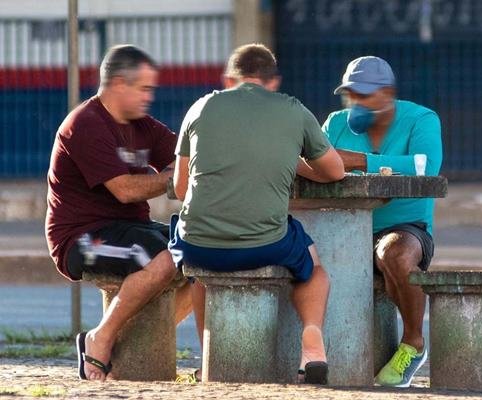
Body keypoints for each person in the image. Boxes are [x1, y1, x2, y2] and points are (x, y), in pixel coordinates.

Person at [168, 43, 345, 384]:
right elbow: (335, 171)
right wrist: (290, 161)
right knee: (313, 266)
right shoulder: (293, 110)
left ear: (230, 79)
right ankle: (312, 343)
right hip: (264, 243)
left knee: (202, 276)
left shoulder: (201, 107)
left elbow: (179, 188)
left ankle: (209, 358)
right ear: (273, 81)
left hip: (198, 245)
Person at [45, 44, 201, 381]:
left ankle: (131, 337)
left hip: (130, 227)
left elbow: (184, 156)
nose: (149, 97)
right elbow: (125, 189)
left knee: (200, 253)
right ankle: (99, 339)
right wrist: (175, 178)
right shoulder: (85, 124)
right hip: (80, 238)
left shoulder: (142, 124)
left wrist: (181, 170)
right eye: (143, 88)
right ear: (118, 84)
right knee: (163, 258)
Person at [322, 56, 443, 388]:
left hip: (406, 228)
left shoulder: (421, 119)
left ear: (387, 92)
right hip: (343, 227)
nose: (356, 102)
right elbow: (312, 161)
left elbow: (424, 167)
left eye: (365, 94)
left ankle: (413, 344)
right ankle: (312, 354)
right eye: (351, 94)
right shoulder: (335, 123)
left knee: (394, 255)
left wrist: (360, 161)